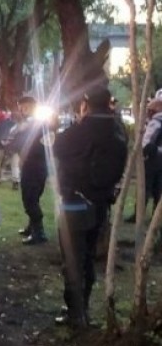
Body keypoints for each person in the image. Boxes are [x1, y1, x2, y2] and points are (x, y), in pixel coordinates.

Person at [52, 87, 128, 330]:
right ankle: (81, 306)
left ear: (86, 104)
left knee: (73, 258)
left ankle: (76, 313)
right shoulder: (117, 129)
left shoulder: (82, 128)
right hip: (101, 201)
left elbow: (57, 147)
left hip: (76, 200)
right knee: (87, 257)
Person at [12, 96, 50, 245]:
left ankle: (39, 233)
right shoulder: (37, 122)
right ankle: (32, 227)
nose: (21, 110)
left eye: (23, 107)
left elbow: (21, 142)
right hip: (37, 164)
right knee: (33, 197)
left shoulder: (35, 123)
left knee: (30, 199)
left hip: (34, 165)